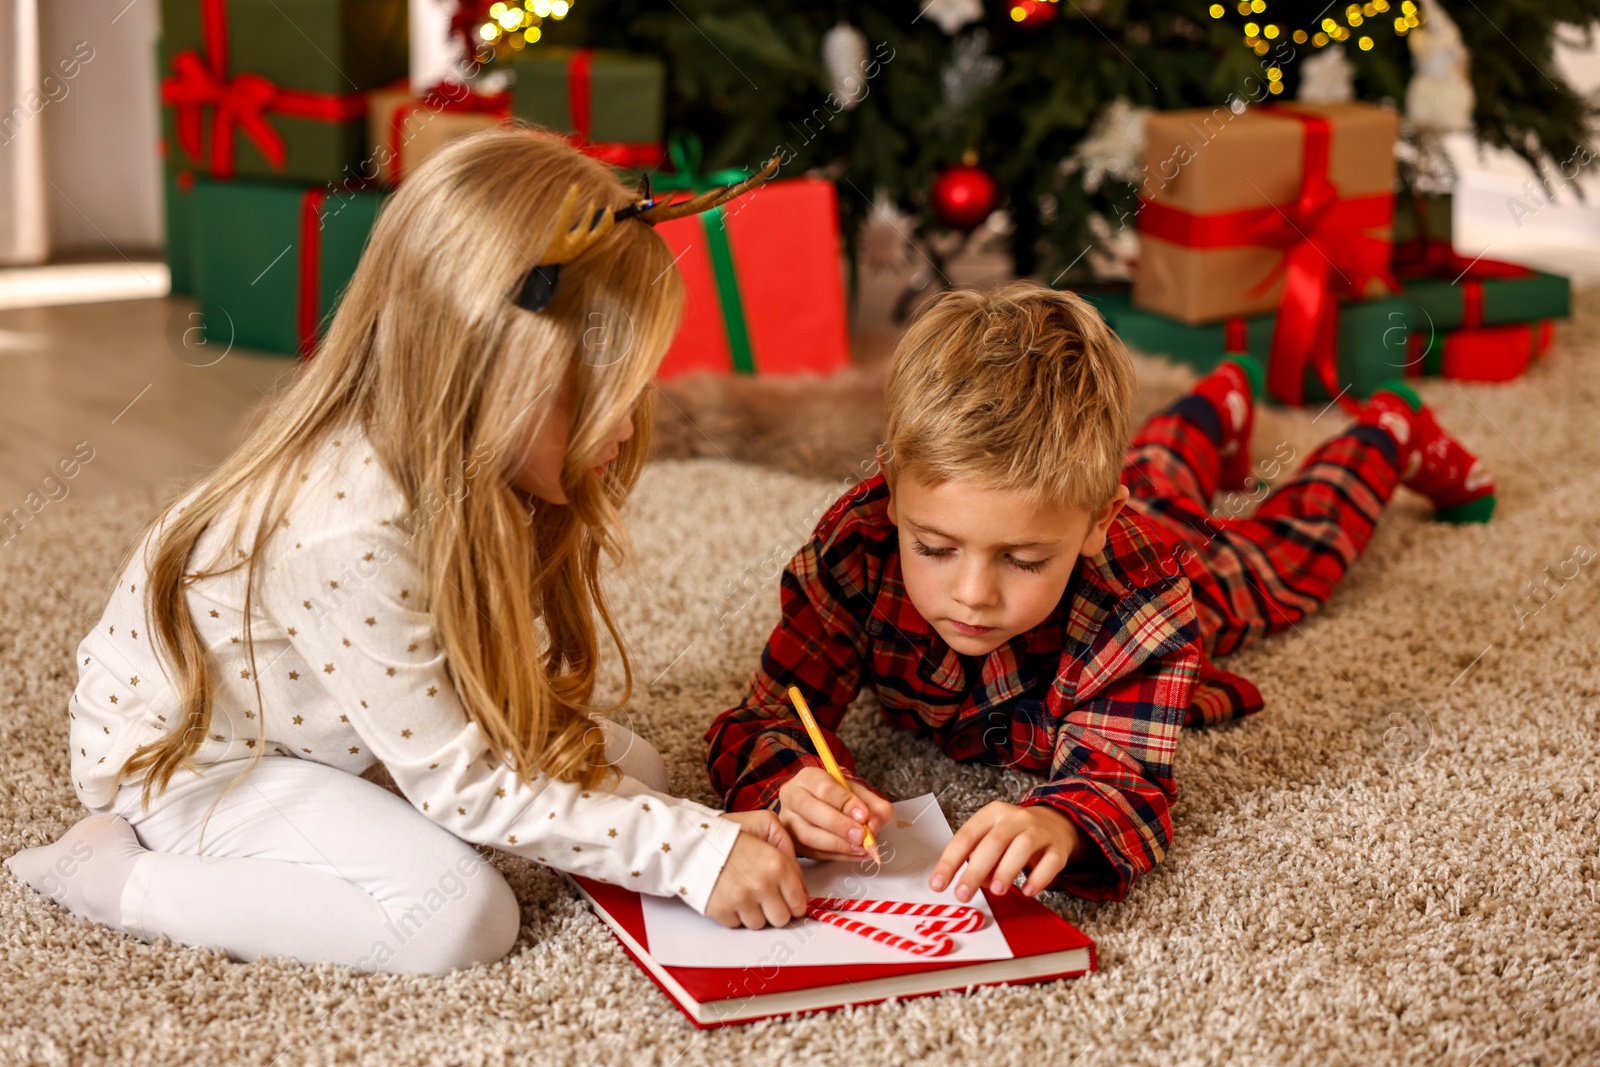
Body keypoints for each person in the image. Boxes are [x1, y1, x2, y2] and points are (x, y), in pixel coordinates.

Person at [5, 128, 807, 976]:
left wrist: (700, 834)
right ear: (495, 380)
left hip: (333, 730)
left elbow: (482, 694)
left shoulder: (474, 469)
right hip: (197, 760)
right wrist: (689, 854)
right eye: (599, 397)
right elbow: (464, 784)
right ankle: (113, 877)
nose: (627, 424)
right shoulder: (344, 530)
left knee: (635, 767)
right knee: (458, 917)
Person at [705, 280, 1494, 904]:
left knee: (1279, 559)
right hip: (1100, 506)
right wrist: (788, 778)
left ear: (1094, 526)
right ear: (892, 489)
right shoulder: (857, 545)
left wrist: (1059, 818)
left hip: (1179, 567)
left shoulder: (1144, 597)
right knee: (1155, 476)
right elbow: (768, 714)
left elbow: (1126, 781)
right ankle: (1213, 407)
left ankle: (1386, 432)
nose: (972, 593)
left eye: (1021, 560)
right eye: (936, 546)